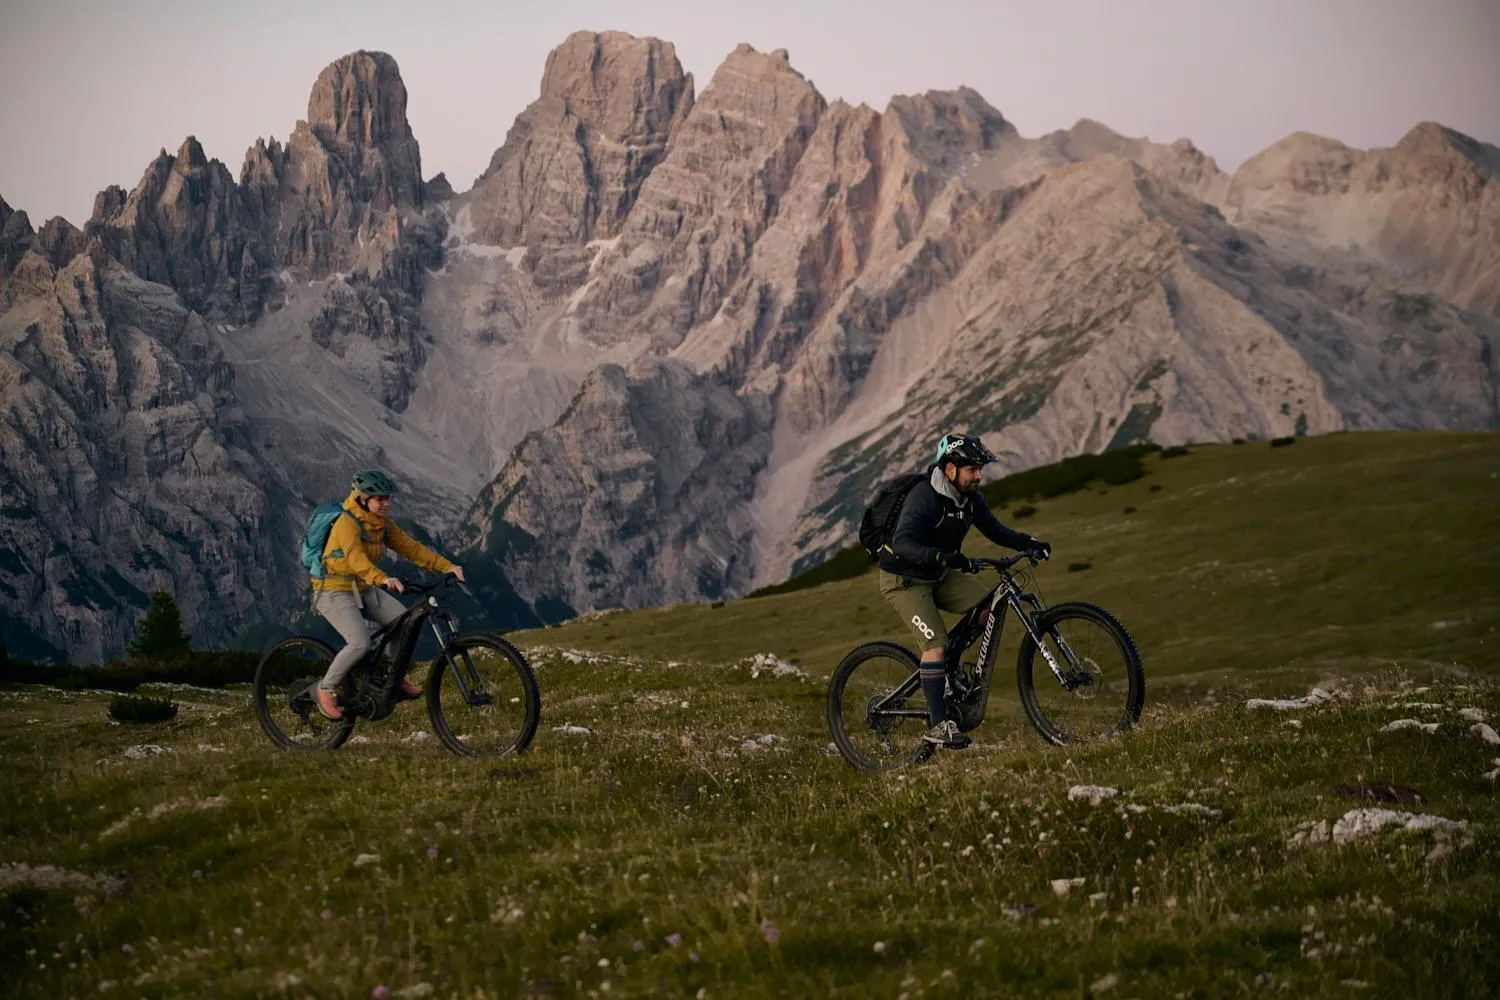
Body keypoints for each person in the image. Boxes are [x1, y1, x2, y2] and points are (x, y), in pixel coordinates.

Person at [876, 433, 1051, 750]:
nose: (979, 475)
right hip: (904, 580)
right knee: (935, 644)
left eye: (980, 468)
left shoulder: (971, 500)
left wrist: (1029, 543)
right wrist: (939, 555)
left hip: (940, 574)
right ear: (950, 470)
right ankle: (938, 724)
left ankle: (949, 672)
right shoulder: (924, 497)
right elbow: (902, 543)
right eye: (972, 468)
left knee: (990, 605)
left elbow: (995, 530)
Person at [311, 469, 467, 720]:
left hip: (360, 587)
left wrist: (446, 565)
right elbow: (355, 558)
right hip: (332, 589)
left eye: (387, 498)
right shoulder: (346, 523)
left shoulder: (380, 525)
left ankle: (390, 677)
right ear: (363, 499)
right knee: (360, 643)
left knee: (404, 622)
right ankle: (325, 689)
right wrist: (382, 578)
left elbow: (411, 548)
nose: (385, 503)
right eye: (379, 499)